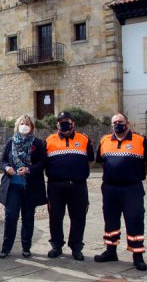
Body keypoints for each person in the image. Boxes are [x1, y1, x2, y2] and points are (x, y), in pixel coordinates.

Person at [94, 113, 147, 271]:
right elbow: (101, 162)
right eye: (114, 122)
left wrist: (136, 175)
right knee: (111, 220)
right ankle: (110, 251)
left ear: (127, 124)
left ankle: (137, 255)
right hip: (110, 188)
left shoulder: (140, 141)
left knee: (134, 220)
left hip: (132, 188)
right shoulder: (105, 140)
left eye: (120, 122)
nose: (117, 125)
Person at [44, 111, 94, 261]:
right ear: (57, 124)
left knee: (79, 217)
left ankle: (76, 247)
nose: (64, 124)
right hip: (56, 186)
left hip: (78, 186)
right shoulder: (49, 140)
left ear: (73, 123)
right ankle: (56, 245)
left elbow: (90, 161)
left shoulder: (84, 139)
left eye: (67, 121)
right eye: (61, 121)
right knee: (55, 217)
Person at [0, 115, 47, 259]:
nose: (24, 126)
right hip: (12, 187)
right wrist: (7, 168)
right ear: (17, 126)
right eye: (21, 123)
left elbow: (43, 163)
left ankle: (26, 247)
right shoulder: (10, 141)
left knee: (28, 218)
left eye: (27, 123)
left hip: (29, 187)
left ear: (31, 127)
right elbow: (2, 161)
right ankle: (6, 248)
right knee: (11, 217)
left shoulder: (38, 143)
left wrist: (28, 169)